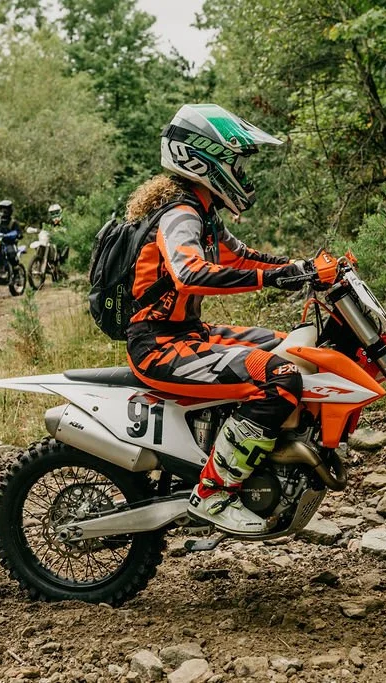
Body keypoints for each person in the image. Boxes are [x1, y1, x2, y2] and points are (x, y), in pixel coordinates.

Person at [124, 104, 314, 535]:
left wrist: (302, 267)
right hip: (158, 346)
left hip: (186, 334)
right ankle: (214, 493)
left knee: (295, 347)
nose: (242, 173)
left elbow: (242, 256)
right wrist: (275, 277)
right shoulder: (180, 214)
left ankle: (275, 458)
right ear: (202, 160)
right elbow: (189, 274)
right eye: (235, 162)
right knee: (281, 376)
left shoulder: (202, 211)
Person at [0, 199, 23, 271]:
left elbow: (19, 232)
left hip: (9, 243)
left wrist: (18, 235)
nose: (4, 211)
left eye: (6, 208)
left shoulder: (13, 222)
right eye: (2, 208)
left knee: (11, 254)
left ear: (10, 210)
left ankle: (16, 271)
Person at [47, 202, 70, 266]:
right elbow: (47, 229)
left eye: (56, 213)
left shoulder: (64, 220)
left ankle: (64, 269)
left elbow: (68, 229)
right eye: (52, 213)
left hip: (63, 241)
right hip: (53, 240)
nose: (54, 215)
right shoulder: (50, 222)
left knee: (63, 258)